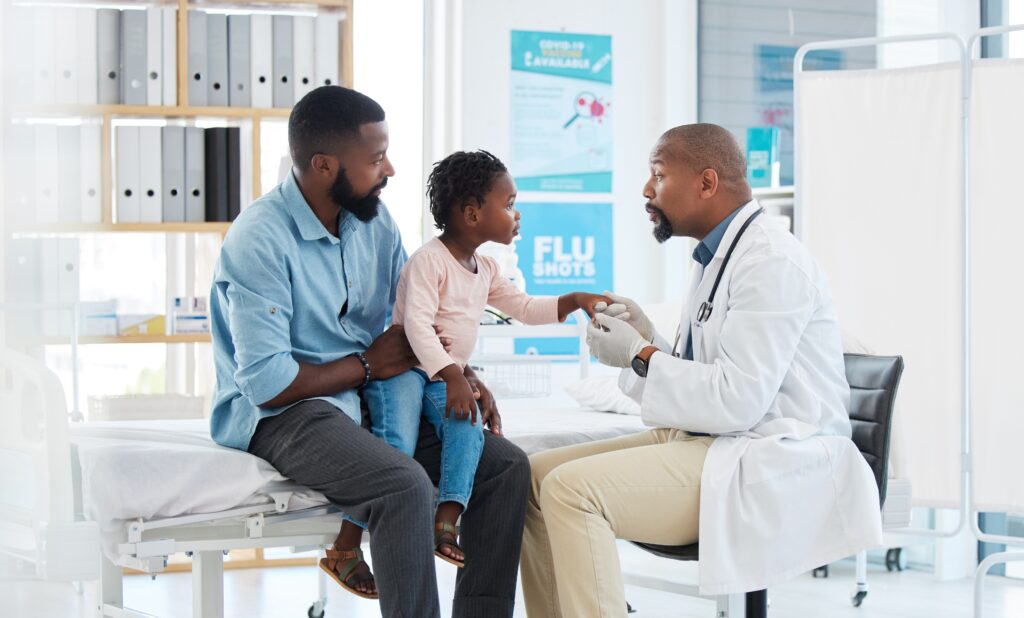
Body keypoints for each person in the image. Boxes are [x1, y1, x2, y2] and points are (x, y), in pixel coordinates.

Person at [520, 123, 883, 617]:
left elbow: (738, 400)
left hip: (766, 455)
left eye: (658, 175)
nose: (647, 190)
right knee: (535, 476)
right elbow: (705, 374)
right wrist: (649, 338)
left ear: (707, 183)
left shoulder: (773, 262)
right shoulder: (715, 256)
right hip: (713, 438)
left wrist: (639, 355)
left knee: (571, 491)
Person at [208, 85, 530, 618]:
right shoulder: (259, 238)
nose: (391, 170)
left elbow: (414, 317)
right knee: (403, 486)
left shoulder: (373, 223)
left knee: (505, 467)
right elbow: (266, 383)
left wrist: (461, 374)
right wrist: (365, 365)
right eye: (376, 158)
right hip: (283, 412)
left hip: (369, 393)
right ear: (323, 164)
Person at [355, 150, 608, 568]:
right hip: (402, 371)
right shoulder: (428, 262)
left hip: (438, 377)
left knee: (467, 424)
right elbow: (416, 328)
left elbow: (525, 308)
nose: (516, 214)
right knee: (395, 444)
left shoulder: (486, 268)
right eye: (508, 205)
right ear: (472, 214)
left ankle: (447, 521)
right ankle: (355, 532)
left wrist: (575, 299)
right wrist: (455, 375)